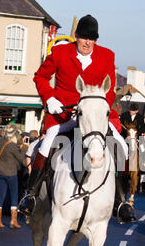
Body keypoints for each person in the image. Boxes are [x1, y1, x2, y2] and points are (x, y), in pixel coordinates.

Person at [19, 14, 135, 223]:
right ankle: (31, 194)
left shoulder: (107, 56)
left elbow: (109, 91)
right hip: (65, 113)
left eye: (92, 39)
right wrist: (50, 99)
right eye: (84, 38)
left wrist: (98, 108)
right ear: (76, 36)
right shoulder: (60, 52)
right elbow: (40, 77)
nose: (88, 43)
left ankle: (121, 200)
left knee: (122, 147)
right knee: (46, 144)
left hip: (95, 116)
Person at [0, 124, 28, 229]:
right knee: (14, 196)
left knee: (1, 196)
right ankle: (13, 221)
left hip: (0, 172)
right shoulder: (13, 147)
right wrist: (24, 148)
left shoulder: (1, 141)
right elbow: (23, 161)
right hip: (11, 173)